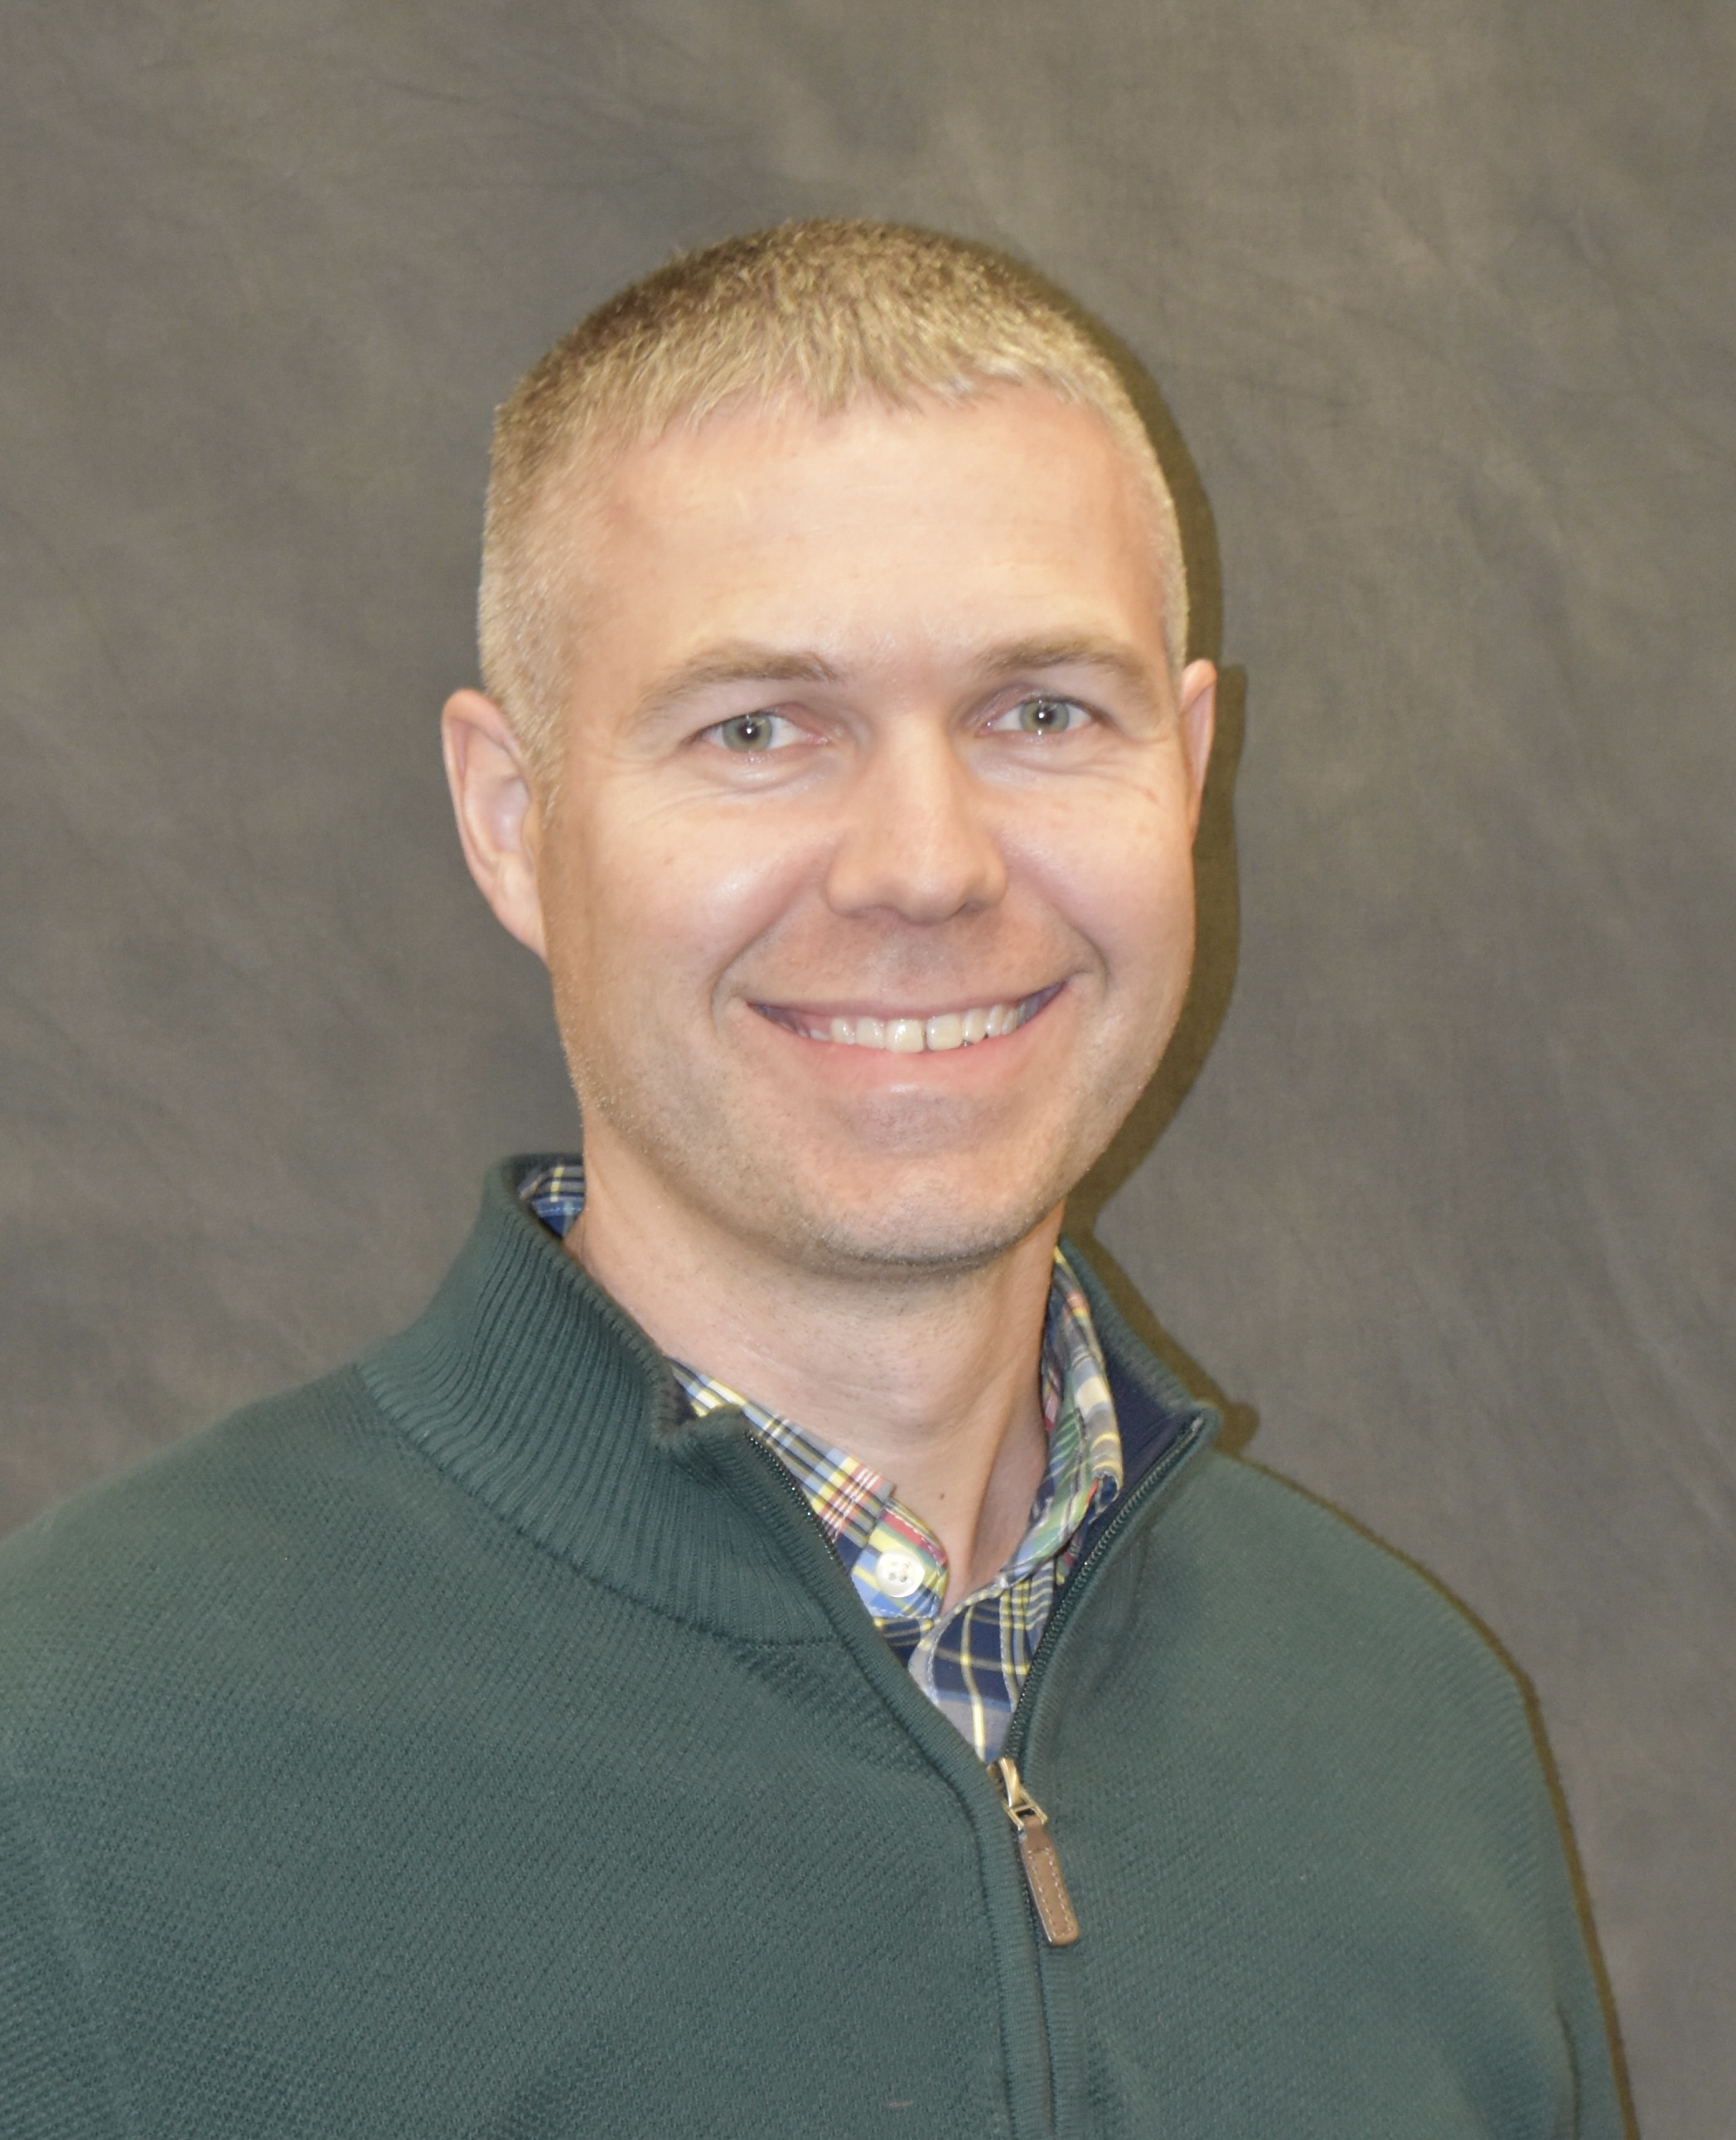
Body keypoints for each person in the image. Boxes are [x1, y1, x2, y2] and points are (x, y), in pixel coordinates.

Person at [0, 222, 1622, 2138]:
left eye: (1042, 712)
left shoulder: (1412, 1735)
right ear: (513, 821)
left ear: (1186, 772)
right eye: (760, 728)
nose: (925, 865)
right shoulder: (84, 1754)